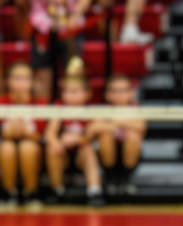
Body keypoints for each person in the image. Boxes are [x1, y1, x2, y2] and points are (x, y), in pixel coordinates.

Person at [45, 75, 105, 206]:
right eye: (66, 91)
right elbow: (49, 133)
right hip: (63, 153)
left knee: (88, 150)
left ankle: (94, 191)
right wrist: (57, 143)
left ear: (87, 93)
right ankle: (57, 190)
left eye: (74, 91)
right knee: (52, 149)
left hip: (81, 152)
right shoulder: (59, 108)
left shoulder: (92, 110)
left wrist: (78, 139)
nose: (69, 95)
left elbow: (93, 133)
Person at [88, 74, 146, 197]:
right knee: (106, 136)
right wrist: (119, 125)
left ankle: (126, 179)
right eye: (115, 91)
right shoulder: (102, 110)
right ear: (107, 94)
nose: (119, 95)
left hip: (129, 154)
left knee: (133, 136)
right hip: (106, 155)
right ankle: (110, 178)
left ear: (131, 93)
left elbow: (141, 127)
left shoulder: (135, 110)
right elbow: (92, 128)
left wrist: (113, 122)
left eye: (123, 90)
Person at [0, 62, 46, 210]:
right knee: (6, 147)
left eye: (25, 78)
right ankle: (8, 193)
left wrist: (27, 133)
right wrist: (5, 133)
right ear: (8, 81)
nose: (21, 83)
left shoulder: (40, 104)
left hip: (34, 148)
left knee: (27, 147)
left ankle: (31, 192)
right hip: (5, 145)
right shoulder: (2, 102)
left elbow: (43, 136)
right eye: (17, 78)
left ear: (32, 82)